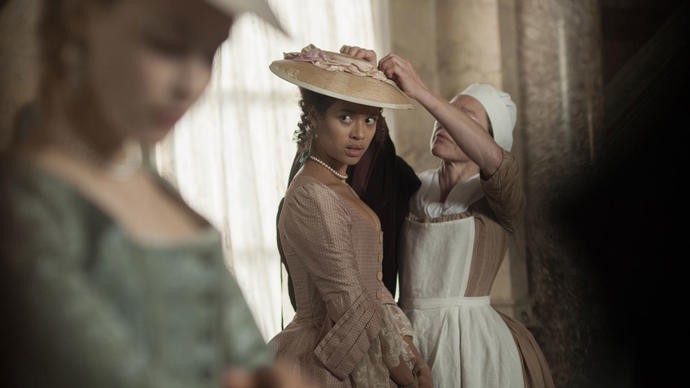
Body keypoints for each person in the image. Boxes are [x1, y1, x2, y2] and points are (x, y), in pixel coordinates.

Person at [0, 1, 309, 387]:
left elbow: (250, 356)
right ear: (81, 17)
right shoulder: (26, 206)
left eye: (212, 52)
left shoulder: (157, 189)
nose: (191, 83)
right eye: (167, 44)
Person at [377, 53, 555, 387]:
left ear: (489, 137)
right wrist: (360, 72)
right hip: (409, 341)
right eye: (445, 110)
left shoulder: (499, 197)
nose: (443, 120)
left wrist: (422, 92)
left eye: (462, 117)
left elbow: (498, 163)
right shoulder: (412, 185)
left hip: (475, 349)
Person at [268, 44, 432, 387]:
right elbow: (351, 305)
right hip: (325, 358)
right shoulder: (310, 193)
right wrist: (406, 378)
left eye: (370, 119)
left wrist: (414, 360)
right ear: (314, 116)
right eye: (345, 117)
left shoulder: (338, 183)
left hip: (369, 344)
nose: (360, 133)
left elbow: (374, 292)